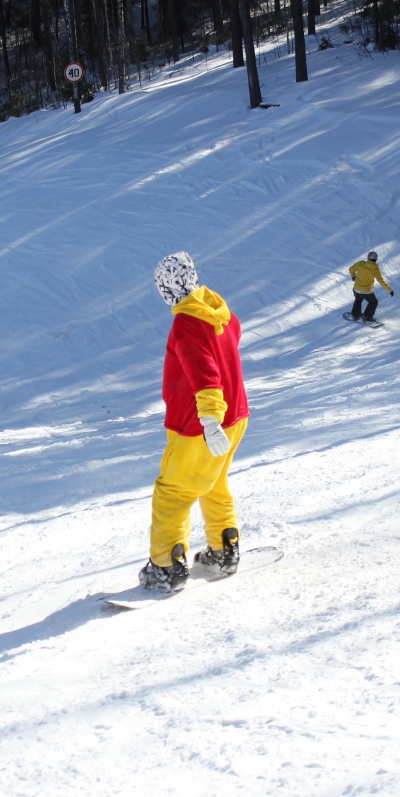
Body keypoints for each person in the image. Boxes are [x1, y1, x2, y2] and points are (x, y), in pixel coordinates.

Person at [141, 252, 250, 592]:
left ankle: (166, 565)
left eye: (163, 286)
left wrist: (209, 420)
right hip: (236, 417)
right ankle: (224, 546)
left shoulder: (187, 323)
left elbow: (206, 375)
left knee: (173, 492)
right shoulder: (220, 311)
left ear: (169, 287)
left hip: (198, 427)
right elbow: (227, 347)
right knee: (213, 483)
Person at [348, 250, 394, 323]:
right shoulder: (375, 269)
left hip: (356, 289)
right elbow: (381, 281)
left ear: (368, 258)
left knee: (358, 300)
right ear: (375, 259)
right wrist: (390, 290)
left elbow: (351, 269)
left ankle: (355, 315)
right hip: (366, 291)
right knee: (373, 302)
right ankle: (367, 316)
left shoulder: (361, 264)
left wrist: (353, 276)